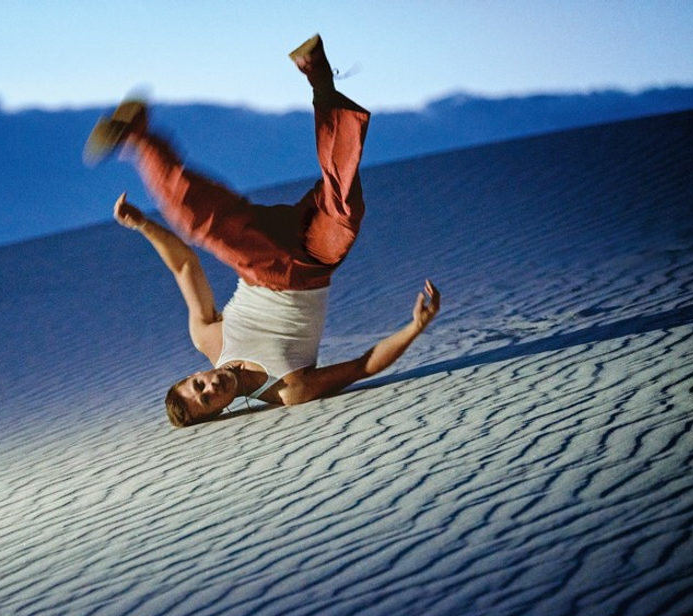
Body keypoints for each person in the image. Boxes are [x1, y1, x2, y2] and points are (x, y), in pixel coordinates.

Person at [84, 34, 440, 427]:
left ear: (193, 374)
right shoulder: (288, 390)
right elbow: (361, 366)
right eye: (207, 400)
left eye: (197, 385)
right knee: (344, 202)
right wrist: (415, 328)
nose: (209, 388)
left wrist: (143, 224)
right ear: (219, 411)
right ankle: (320, 77)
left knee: (200, 224)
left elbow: (184, 265)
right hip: (313, 264)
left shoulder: (208, 339)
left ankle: (138, 137)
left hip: (261, 262)